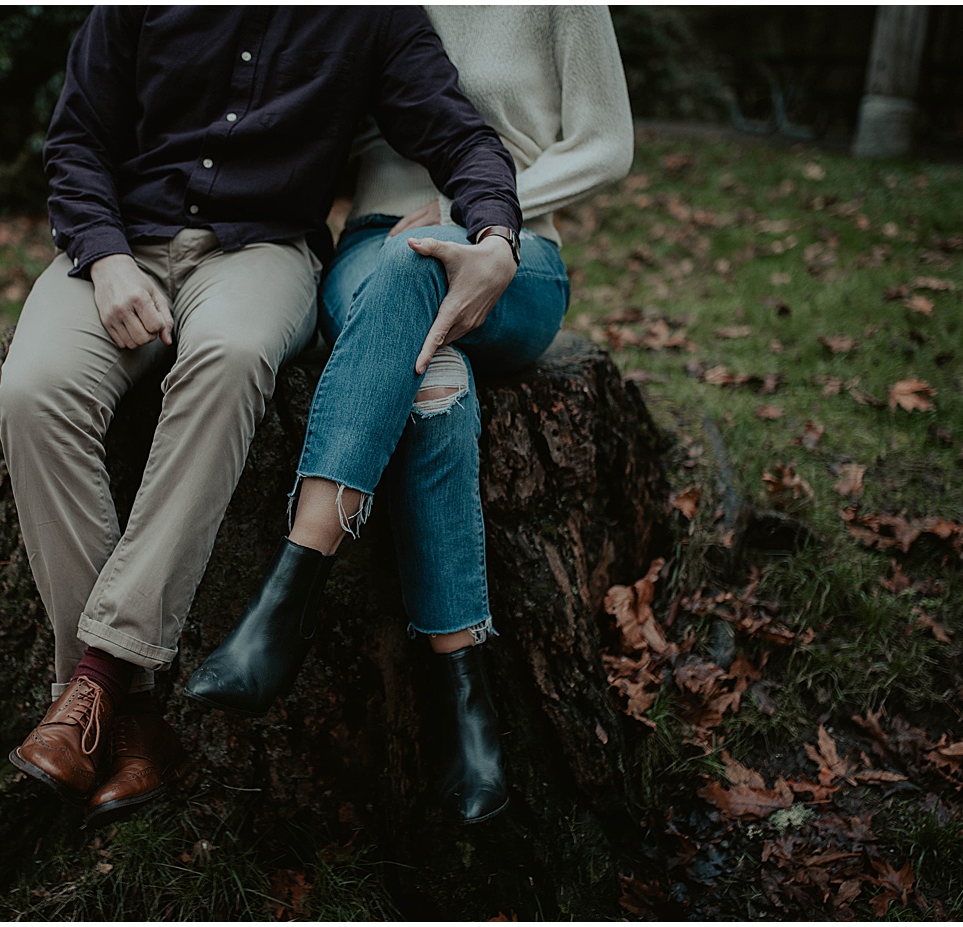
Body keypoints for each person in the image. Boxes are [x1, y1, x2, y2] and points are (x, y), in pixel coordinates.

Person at [0, 7, 523, 828]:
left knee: (234, 358)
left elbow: (461, 136)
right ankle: (124, 712)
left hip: (263, 251)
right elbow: (76, 140)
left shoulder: (373, 17)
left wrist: (494, 231)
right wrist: (102, 258)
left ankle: (93, 686)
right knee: (32, 393)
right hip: (114, 247)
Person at [182, 6, 633, 825]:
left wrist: (483, 208)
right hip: (370, 253)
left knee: (414, 260)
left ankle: (290, 591)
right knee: (431, 372)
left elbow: (609, 144)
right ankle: (464, 695)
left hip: (512, 253)